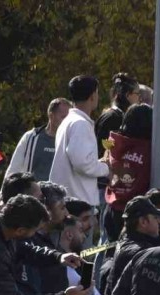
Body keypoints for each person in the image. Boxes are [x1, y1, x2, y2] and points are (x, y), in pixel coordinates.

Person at [102, 104, 160, 242]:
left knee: (111, 253)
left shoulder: (113, 143)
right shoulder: (149, 149)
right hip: (137, 216)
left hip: (113, 209)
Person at [49, 75, 110, 210]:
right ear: (93, 95)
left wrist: (100, 162)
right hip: (78, 202)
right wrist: (107, 167)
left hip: (69, 198)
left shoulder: (69, 121)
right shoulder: (80, 124)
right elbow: (82, 164)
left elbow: (79, 159)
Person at [6, 98, 71, 181]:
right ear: (51, 116)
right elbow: (14, 169)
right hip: (32, 192)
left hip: (59, 193)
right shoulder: (31, 137)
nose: (67, 121)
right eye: (63, 117)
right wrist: (5, 192)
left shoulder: (70, 141)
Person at [95, 73, 141, 156]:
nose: (139, 98)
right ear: (127, 95)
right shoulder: (112, 118)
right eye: (137, 94)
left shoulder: (119, 116)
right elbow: (104, 151)